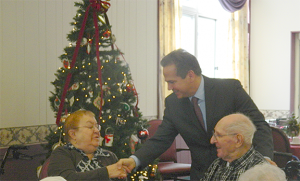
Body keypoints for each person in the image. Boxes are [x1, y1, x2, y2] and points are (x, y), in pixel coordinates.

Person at [119, 49, 274, 180]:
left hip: (239, 174)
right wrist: (134, 160)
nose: (169, 87)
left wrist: (264, 162)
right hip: (202, 175)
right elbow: (161, 140)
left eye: (172, 82)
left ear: (190, 75)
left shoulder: (229, 90)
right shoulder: (173, 103)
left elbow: (258, 125)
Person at [47, 109, 127, 180]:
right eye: (90, 127)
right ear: (73, 134)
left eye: (97, 127)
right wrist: (106, 172)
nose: (97, 131)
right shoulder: (62, 153)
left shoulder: (109, 156)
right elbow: (66, 178)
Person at [200, 113, 267, 180]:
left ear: (238, 140)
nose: (212, 141)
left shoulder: (260, 173)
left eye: (219, 135)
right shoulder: (218, 163)